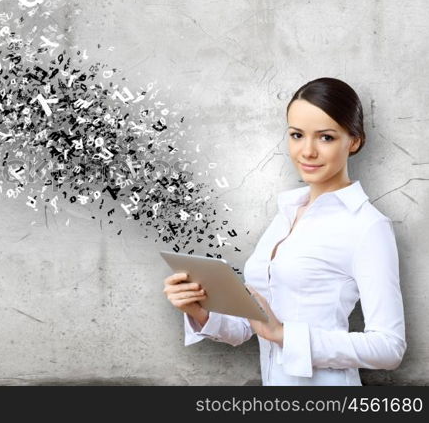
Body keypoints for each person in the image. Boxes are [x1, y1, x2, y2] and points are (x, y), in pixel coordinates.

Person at [163, 77, 406, 385]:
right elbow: (254, 326)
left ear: (354, 141)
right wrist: (200, 311)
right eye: (296, 135)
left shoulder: (368, 226)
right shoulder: (286, 215)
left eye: (326, 137)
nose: (307, 151)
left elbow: (389, 347)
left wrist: (283, 334)